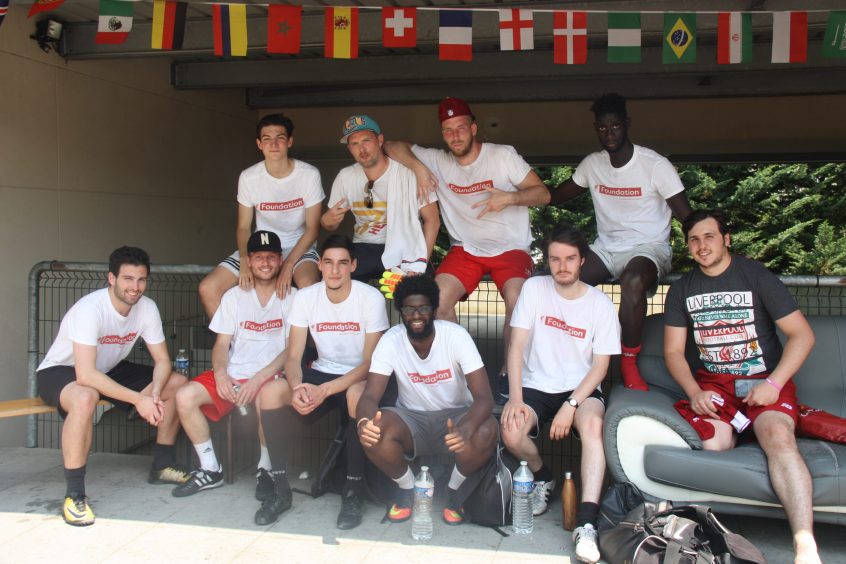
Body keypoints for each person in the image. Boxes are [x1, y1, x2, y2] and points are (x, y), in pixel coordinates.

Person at [663, 209, 820, 564]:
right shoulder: (682, 288)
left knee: (777, 436)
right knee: (712, 443)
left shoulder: (755, 275)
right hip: (716, 386)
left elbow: (802, 335)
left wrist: (774, 383)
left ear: (726, 239)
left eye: (709, 236)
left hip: (764, 382)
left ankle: (805, 543)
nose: (702, 245)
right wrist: (694, 392)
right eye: (694, 240)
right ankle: (714, 534)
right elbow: (672, 352)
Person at [384, 97, 550, 404]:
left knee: (518, 300)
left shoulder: (502, 155)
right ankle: (459, 374)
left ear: (473, 128)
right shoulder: (437, 159)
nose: (455, 135)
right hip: (466, 249)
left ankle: (508, 373)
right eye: (448, 130)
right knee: (437, 299)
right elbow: (391, 146)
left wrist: (509, 198)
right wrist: (419, 168)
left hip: (511, 248)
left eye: (461, 127)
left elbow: (543, 194)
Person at [35, 246, 189, 527]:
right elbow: (85, 374)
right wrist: (137, 400)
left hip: (108, 368)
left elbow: (163, 361)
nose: (135, 287)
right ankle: (75, 496)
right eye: (128, 279)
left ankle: (163, 465)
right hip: (62, 370)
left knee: (177, 384)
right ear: (112, 278)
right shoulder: (90, 309)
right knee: (85, 397)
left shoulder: (147, 307)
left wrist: (154, 393)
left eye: (141, 280)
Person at [550, 93, 691, 392]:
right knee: (563, 279)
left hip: (648, 247)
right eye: (602, 128)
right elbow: (555, 196)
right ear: (596, 129)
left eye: (615, 126)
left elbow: (687, 216)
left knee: (633, 280)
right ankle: (568, 358)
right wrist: (515, 194)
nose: (609, 133)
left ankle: (628, 362)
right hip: (606, 248)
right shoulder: (593, 164)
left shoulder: (655, 165)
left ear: (627, 124)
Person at [501, 226, 620, 564]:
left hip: (580, 387)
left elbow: (600, 367)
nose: (562, 266)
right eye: (555, 259)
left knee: (593, 427)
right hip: (536, 383)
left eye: (570, 259)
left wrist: (571, 405)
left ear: (582, 261)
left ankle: (586, 523)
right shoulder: (534, 288)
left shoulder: (600, 304)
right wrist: (515, 398)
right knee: (511, 430)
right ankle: (543, 477)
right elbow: (516, 345)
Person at [254, 234, 388, 529]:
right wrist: (297, 388)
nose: (335, 270)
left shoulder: (370, 298)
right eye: (328, 263)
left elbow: (370, 364)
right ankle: (280, 490)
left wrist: (324, 390)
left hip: (356, 375)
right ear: (319, 265)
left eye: (342, 263)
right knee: (270, 393)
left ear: (353, 265)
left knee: (355, 394)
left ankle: (352, 491)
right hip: (320, 372)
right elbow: (293, 356)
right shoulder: (305, 297)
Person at [356, 275, 498, 526]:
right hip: (412, 420)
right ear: (400, 311)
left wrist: (466, 428)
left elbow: (485, 397)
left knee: (487, 429)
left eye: (423, 308)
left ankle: (455, 491)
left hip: (456, 416)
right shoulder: (391, 340)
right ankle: (408, 489)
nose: (416, 315)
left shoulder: (455, 336)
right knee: (373, 431)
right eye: (409, 309)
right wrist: (364, 423)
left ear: (433, 308)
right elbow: (369, 396)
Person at [171, 231, 296, 499]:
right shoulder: (233, 296)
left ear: (280, 260)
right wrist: (221, 374)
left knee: (267, 397)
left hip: (271, 376)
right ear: (248, 261)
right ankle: (210, 469)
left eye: (271, 257)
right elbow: (221, 344)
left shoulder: (292, 296)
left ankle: (266, 468)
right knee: (184, 396)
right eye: (259, 257)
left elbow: (291, 350)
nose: (265, 263)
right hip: (235, 373)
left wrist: (258, 379)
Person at [199, 113, 323, 320]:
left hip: (298, 247)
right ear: (259, 144)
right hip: (260, 247)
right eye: (267, 139)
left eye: (280, 138)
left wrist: (288, 265)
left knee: (309, 287)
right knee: (208, 288)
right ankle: (231, 340)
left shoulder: (308, 174)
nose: (273, 144)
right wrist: (245, 260)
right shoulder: (249, 177)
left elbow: (313, 229)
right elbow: (243, 227)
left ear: (290, 141)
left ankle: (305, 342)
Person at [321, 114, 440, 281]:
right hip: (363, 248)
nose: (361, 149)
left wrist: (421, 263)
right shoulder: (345, 176)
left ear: (380, 140)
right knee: (335, 283)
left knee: (420, 292)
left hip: (405, 249)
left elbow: (432, 221)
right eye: (354, 143)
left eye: (366, 140)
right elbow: (329, 224)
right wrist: (327, 220)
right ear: (349, 148)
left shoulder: (409, 173)